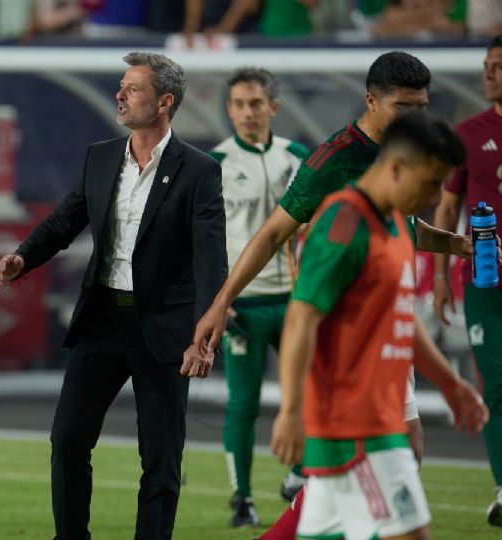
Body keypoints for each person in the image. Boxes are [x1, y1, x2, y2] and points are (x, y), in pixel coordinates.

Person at [188, 51, 473, 540]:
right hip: (351, 375)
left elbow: (407, 244)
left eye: (422, 107)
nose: (416, 118)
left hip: (382, 351)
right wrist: (218, 305)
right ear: (371, 101)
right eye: (405, 107)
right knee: (393, 511)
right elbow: (273, 236)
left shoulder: (393, 190)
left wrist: (453, 243)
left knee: (360, 488)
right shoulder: (338, 174)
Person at [0, 52, 227, 540]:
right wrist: (23, 257)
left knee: (161, 457)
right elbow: (64, 221)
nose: (120, 95)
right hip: (101, 318)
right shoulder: (100, 157)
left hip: (163, 328)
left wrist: (207, 328)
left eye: (133, 88)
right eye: (121, 86)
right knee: (68, 440)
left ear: (165, 102)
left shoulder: (199, 170)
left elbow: (210, 257)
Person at [270, 110, 487, 540]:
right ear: (395, 167)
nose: (435, 198)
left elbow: (401, 320)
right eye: (429, 183)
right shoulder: (343, 223)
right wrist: (291, 411)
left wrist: (450, 384)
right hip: (358, 432)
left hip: (380, 421)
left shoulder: (395, 227)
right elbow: (300, 320)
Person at [208, 66, 308, 528]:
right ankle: (241, 497)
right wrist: (217, 299)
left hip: (294, 301)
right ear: (228, 109)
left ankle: (298, 476)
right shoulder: (214, 164)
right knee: (243, 402)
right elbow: (203, 239)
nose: (247, 113)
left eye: (255, 104)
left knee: (304, 393)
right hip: (243, 306)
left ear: (274, 107)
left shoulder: (300, 158)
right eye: (238, 105)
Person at [432, 35, 502, 527]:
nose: (490, 73)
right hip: (484, 279)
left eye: (499, 66)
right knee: (494, 387)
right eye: (487, 65)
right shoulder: (468, 133)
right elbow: (448, 207)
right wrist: (439, 276)